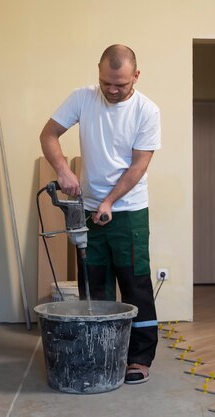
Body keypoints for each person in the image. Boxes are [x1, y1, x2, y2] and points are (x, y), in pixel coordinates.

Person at [39, 44, 160, 384]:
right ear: (99, 71)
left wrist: (109, 202)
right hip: (89, 210)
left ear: (136, 76)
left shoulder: (147, 111)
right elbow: (48, 135)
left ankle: (138, 357)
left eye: (120, 84)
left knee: (134, 282)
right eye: (106, 81)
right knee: (93, 283)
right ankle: (100, 351)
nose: (112, 89)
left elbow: (139, 165)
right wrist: (63, 170)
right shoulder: (82, 98)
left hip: (129, 211)